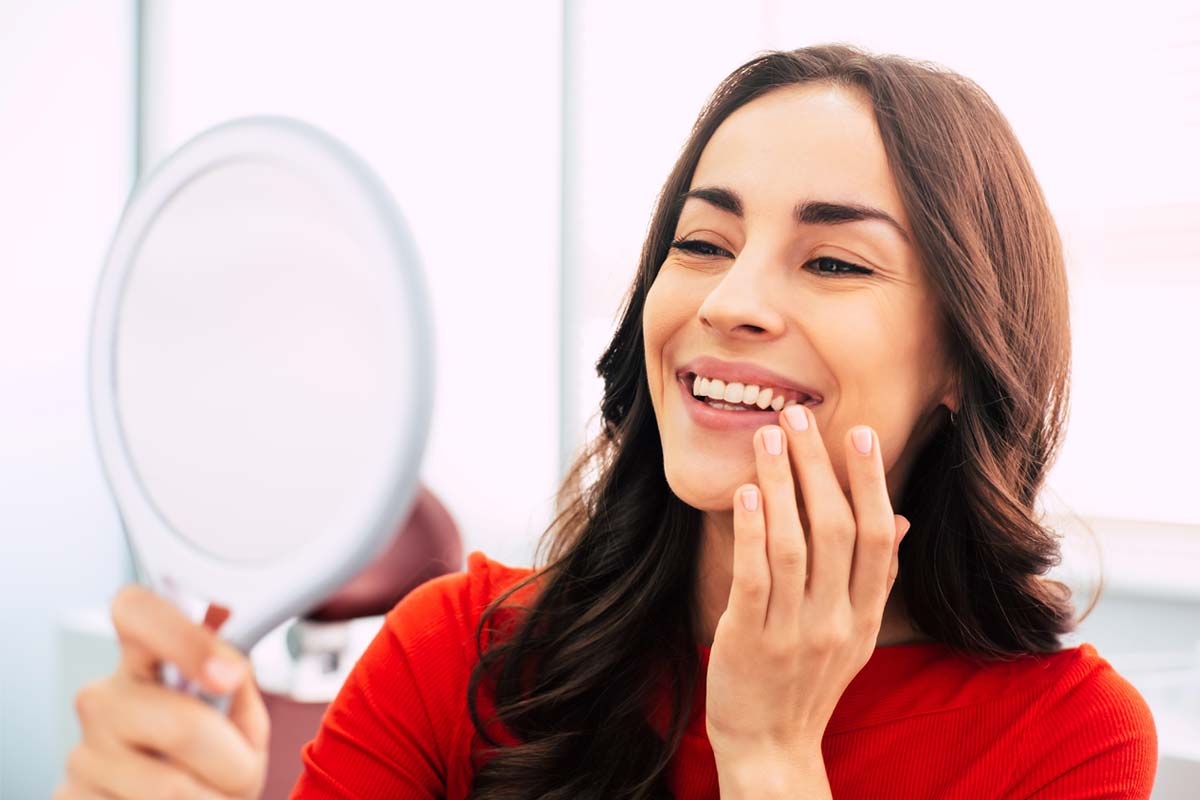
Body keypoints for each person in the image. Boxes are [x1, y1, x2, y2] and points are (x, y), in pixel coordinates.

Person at [58, 44, 1157, 799]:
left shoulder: (1066, 741)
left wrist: (770, 751)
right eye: (702, 242)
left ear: (963, 358)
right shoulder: (455, 654)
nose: (730, 301)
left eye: (832, 259)